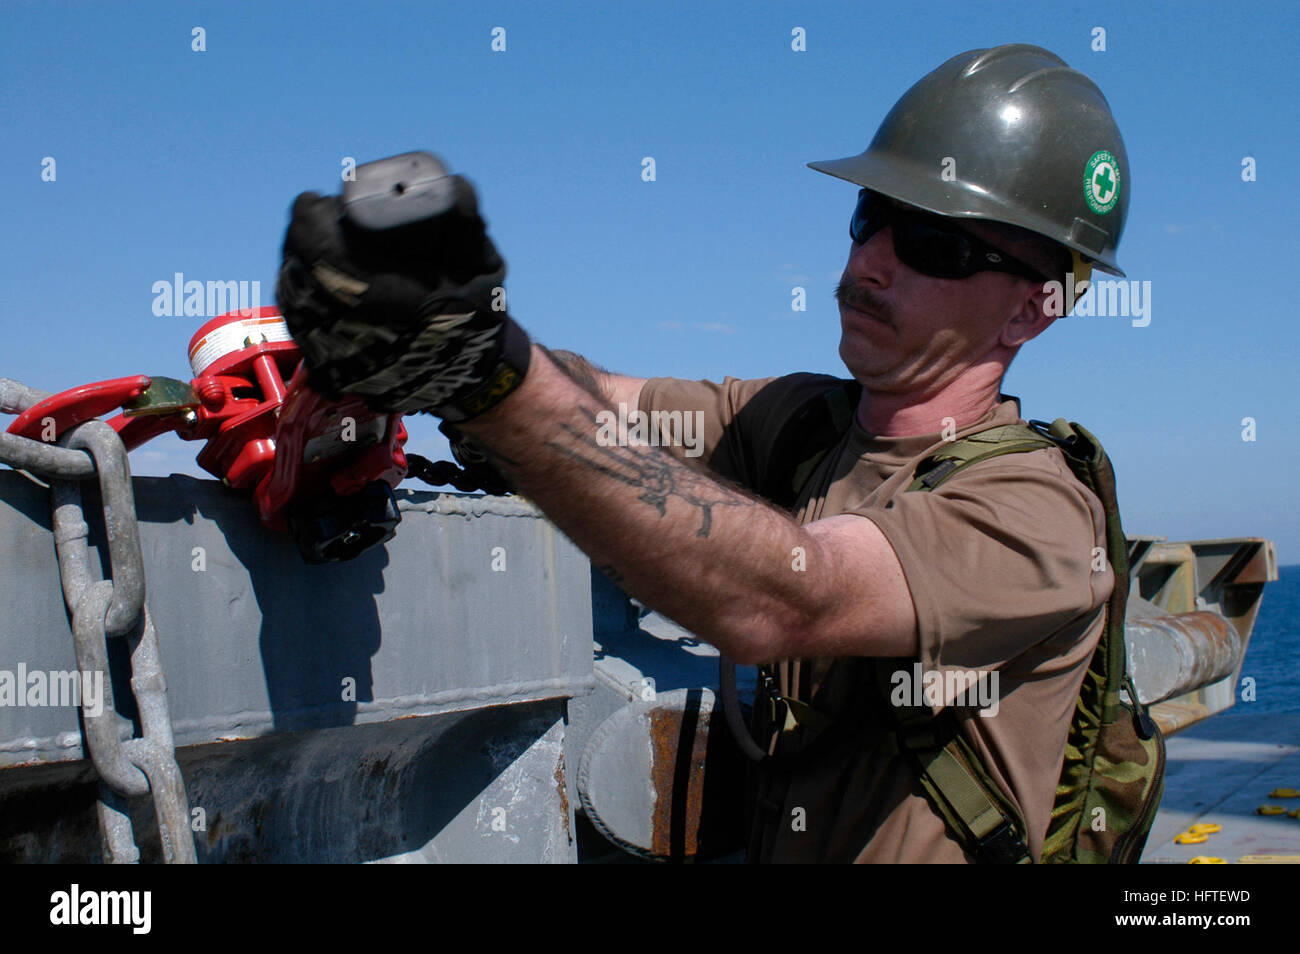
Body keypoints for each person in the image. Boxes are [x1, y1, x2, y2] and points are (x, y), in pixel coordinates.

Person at [275, 43, 1131, 863]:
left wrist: (481, 374)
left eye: (933, 243)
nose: (868, 261)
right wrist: (432, 328)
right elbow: (605, 402)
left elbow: (792, 598)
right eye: (871, 217)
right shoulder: (801, 424)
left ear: (1032, 309)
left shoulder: (1040, 514)